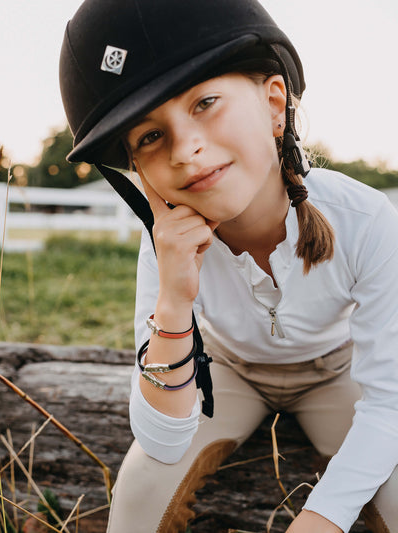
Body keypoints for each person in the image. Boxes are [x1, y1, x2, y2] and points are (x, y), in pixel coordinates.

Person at [59, 0, 398, 531]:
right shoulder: (164, 246)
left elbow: (391, 405)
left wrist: (323, 517)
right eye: (150, 136)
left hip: (336, 372)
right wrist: (173, 300)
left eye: (206, 102)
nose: (186, 149)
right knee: (140, 488)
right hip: (227, 371)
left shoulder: (368, 220)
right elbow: (161, 438)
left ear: (274, 103)